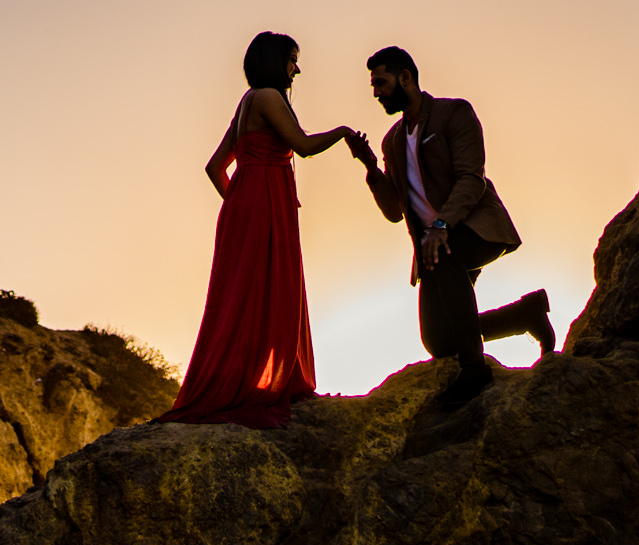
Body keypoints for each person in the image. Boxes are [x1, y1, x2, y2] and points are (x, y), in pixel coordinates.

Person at [160, 32, 360, 428]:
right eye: (292, 60)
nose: (297, 69)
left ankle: (253, 379)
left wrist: (240, 206)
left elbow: (215, 168)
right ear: (274, 61)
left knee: (247, 294)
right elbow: (301, 145)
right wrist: (343, 133)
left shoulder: (248, 101)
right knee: (271, 289)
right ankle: (269, 383)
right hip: (263, 201)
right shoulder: (267, 97)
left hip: (250, 202)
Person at [345, 45, 552, 410]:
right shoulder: (392, 141)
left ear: (406, 78)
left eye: (380, 82)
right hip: (432, 249)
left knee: (446, 257)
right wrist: (371, 169)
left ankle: (476, 372)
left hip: (472, 228)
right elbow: (395, 211)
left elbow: (472, 180)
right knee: (440, 341)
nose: (375, 92)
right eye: (373, 85)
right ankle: (525, 315)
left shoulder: (454, 113)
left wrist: (441, 226)